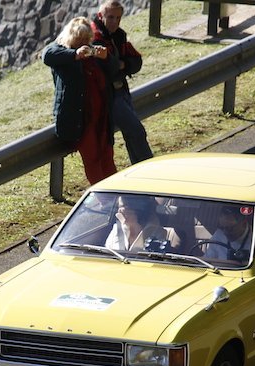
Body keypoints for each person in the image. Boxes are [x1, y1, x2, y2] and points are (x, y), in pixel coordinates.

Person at [43, 16, 117, 185]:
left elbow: (113, 70)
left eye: (86, 39)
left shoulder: (93, 53)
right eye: (79, 39)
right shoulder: (62, 52)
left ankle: (119, 199)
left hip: (101, 117)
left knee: (107, 157)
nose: (83, 43)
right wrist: (74, 55)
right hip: (80, 119)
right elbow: (47, 55)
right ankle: (105, 201)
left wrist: (106, 57)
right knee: (92, 160)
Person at [91, 1, 153, 165]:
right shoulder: (94, 37)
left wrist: (122, 64)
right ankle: (148, 170)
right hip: (110, 96)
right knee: (136, 132)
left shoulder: (118, 35)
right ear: (100, 16)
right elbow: (109, 69)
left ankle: (141, 171)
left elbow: (136, 61)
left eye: (118, 17)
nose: (115, 22)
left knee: (133, 134)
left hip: (121, 91)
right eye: (110, 17)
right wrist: (121, 65)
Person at [104, 195, 179, 251]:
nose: (119, 211)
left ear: (136, 209)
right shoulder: (117, 229)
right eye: (118, 207)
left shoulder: (158, 232)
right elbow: (107, 252)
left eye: (124, 206)